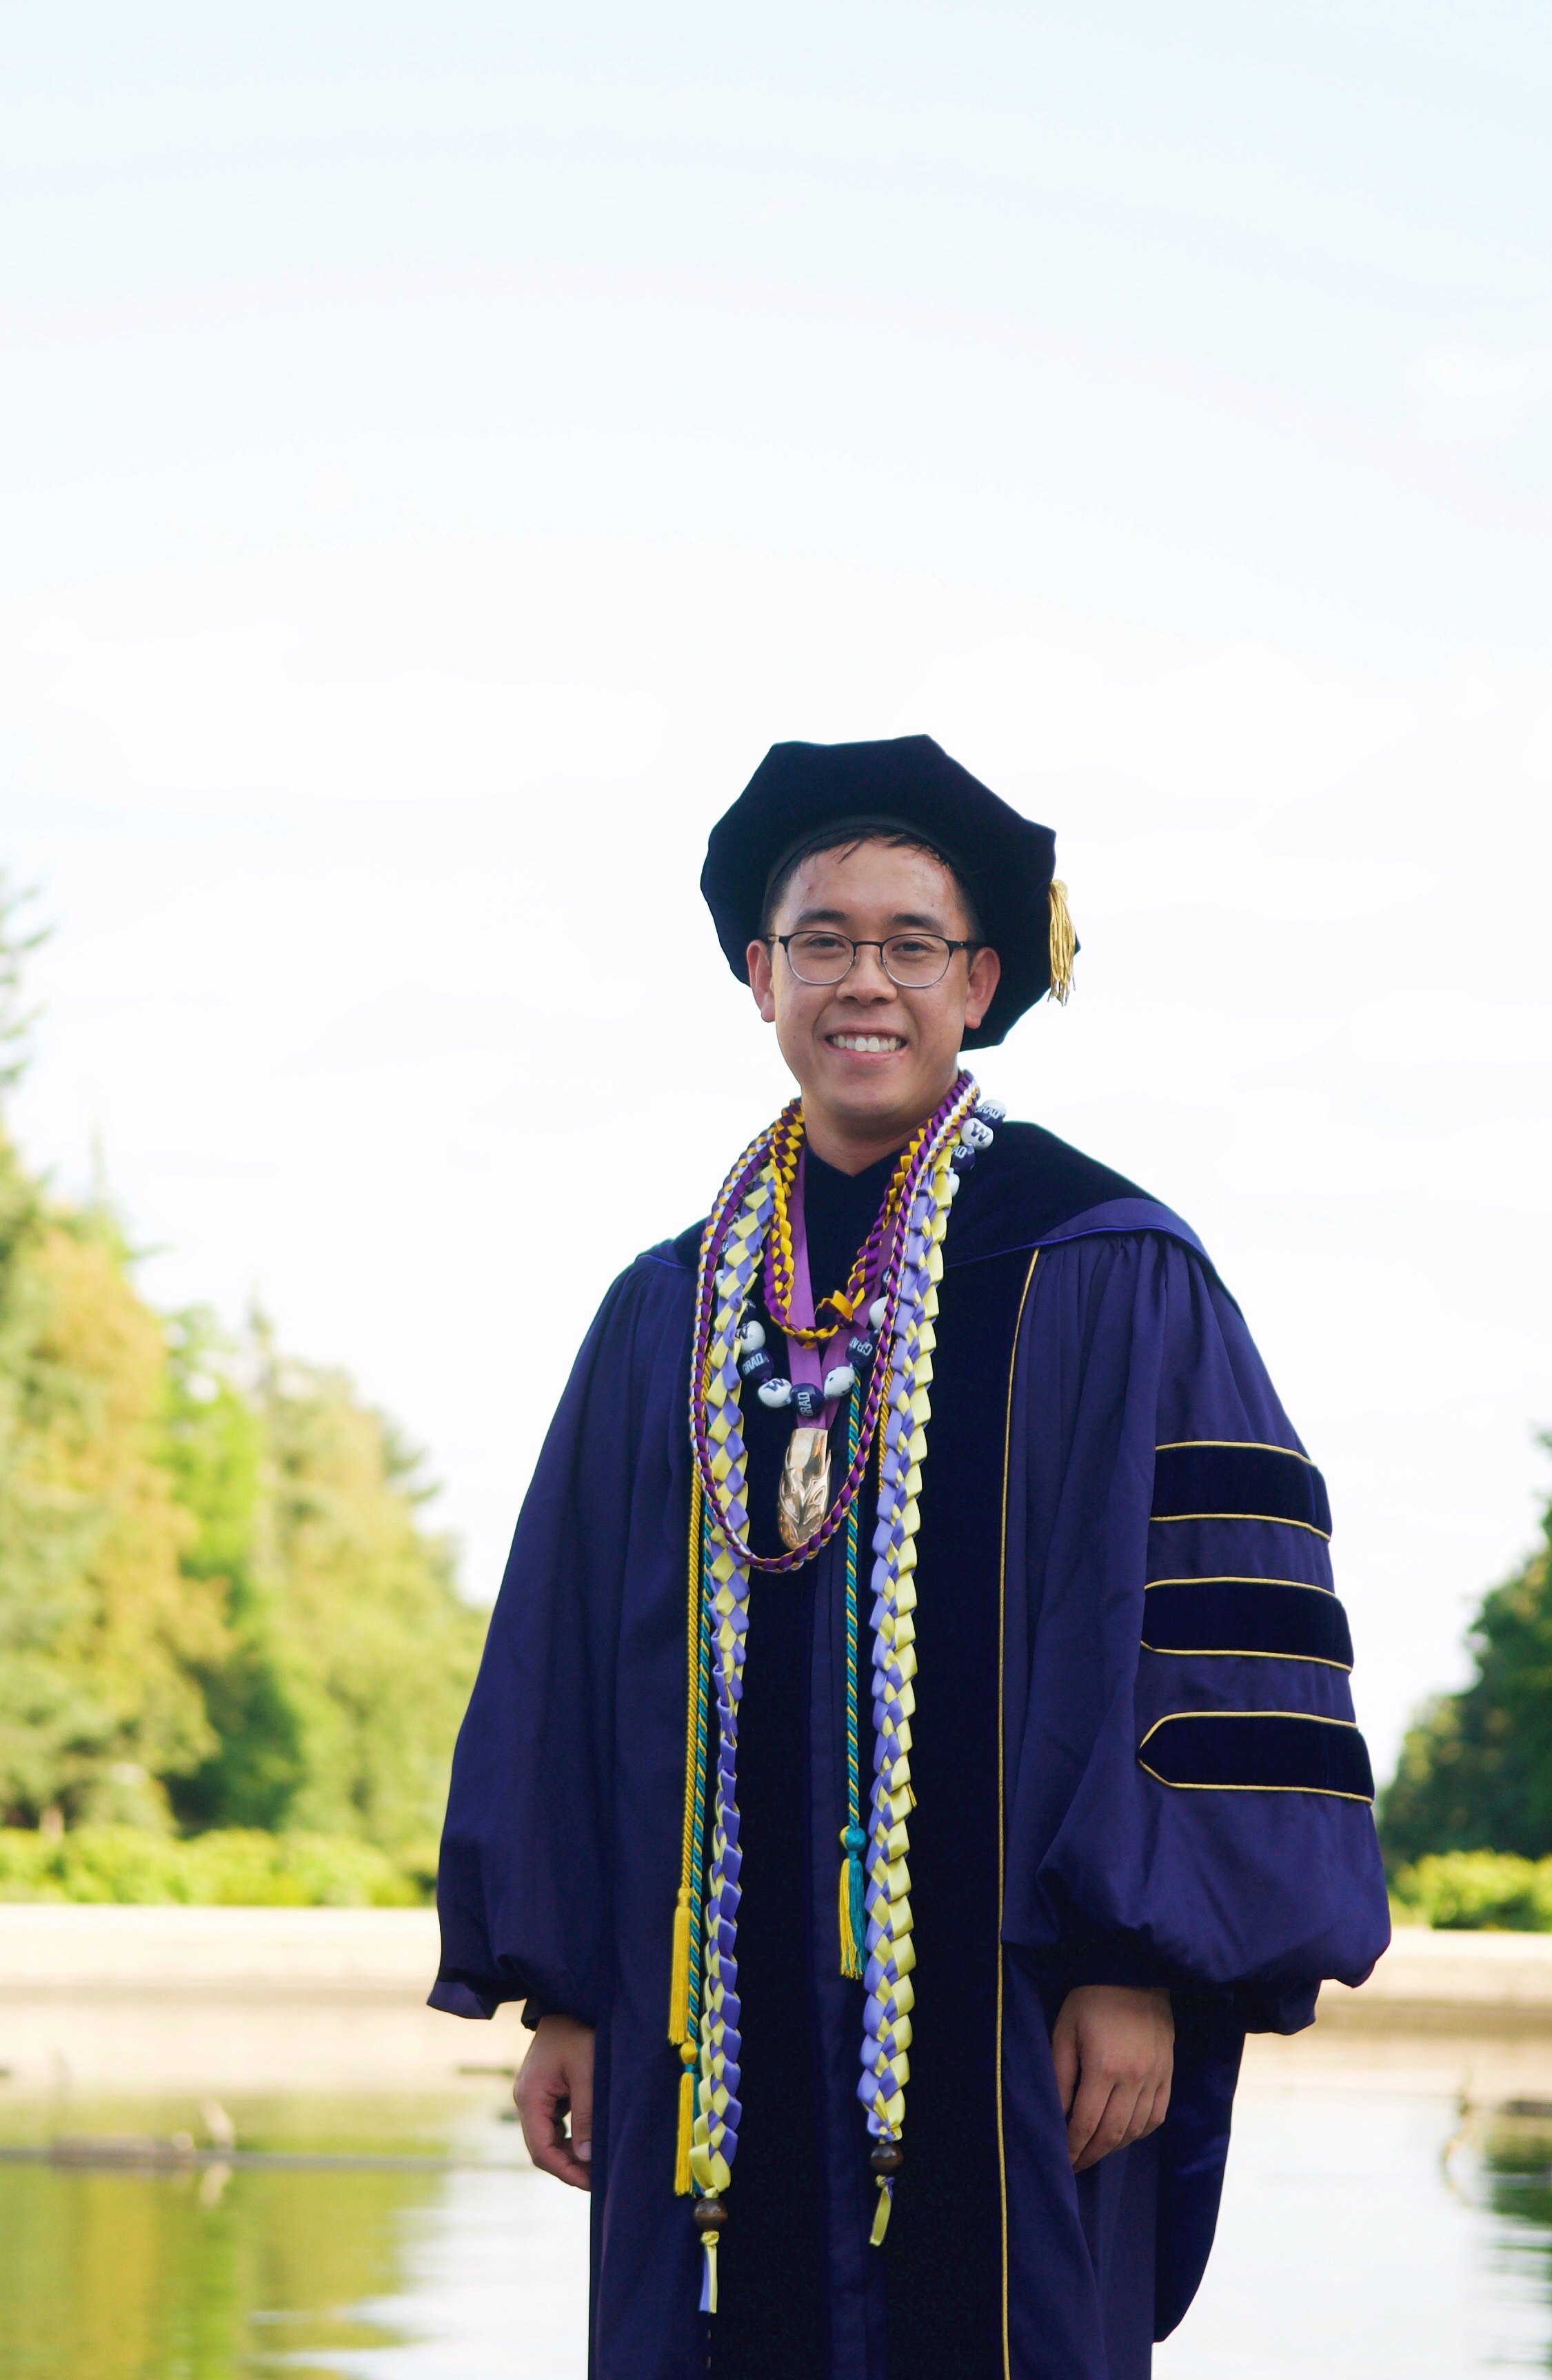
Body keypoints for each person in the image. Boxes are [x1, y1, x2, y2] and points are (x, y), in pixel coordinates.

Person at [430, 734, 1390, 2380]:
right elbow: (565, 1667)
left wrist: (1136, 1964)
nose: (862, 980)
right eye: (822, 940)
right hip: (710, 2041)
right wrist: (567, 1989)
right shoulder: (667, 1310)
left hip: (1020, 2024)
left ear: (982, 980)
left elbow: (1215, 1650)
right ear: (759, 974)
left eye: (910, 945)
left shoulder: (1109, 1272)